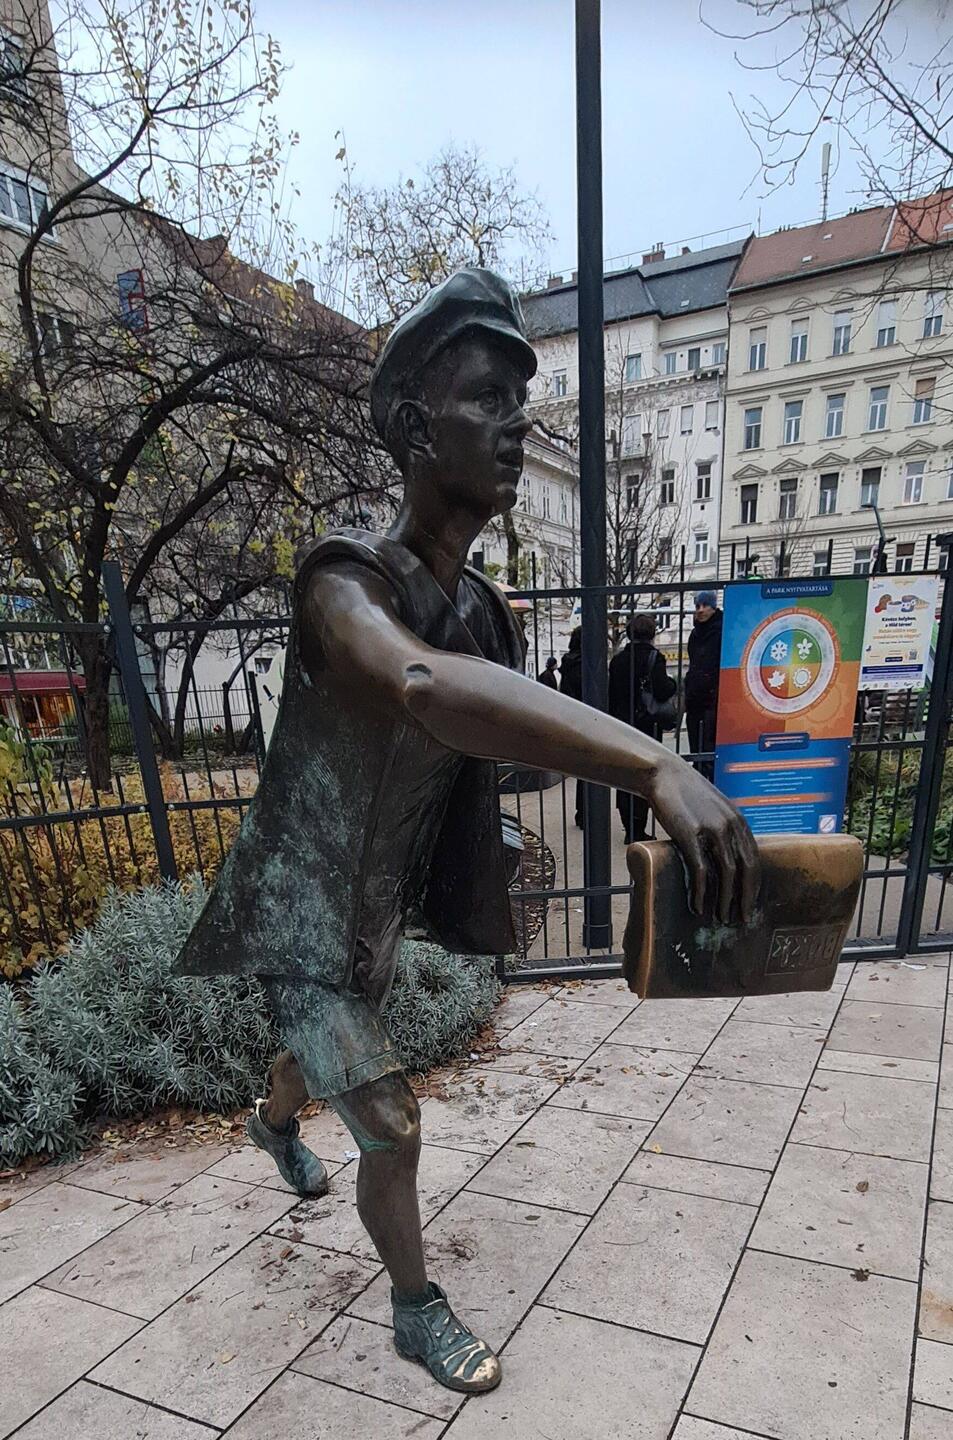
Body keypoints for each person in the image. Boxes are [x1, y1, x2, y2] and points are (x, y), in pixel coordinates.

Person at [174, 269, 757, 1397]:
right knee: (389, 1121)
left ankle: (270, 1123)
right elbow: (424, 687)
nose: (516, 423)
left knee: (324, 1056)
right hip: (297, 912)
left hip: (375, 910)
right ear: (409, 427)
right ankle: (412, 1307)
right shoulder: (341, 585)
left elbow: (501, 731)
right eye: (487, 397)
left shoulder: (483, 609)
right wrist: (654, 763)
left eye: (518, 400)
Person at [609, 613, 677, 843]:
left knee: (625, 776)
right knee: (646, 775)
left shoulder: (618, 661)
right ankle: (639, 826)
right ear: (651, 633)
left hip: (622, 725)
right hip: (646, 725)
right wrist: (673, 684)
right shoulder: (654, 658)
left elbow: (611, 694)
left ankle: (629, 827)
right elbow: (663, 689)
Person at [685, 589, 723, 780]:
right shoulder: (695, 634)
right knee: (697, 753)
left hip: (712, 701)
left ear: (713, 607)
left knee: (708, 753)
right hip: (695, 701)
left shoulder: (720, 631)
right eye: (697, 606)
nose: (700, 610)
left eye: (705, 605)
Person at [559, 627, 584, 825]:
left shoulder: (567, 664)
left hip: (572, 720)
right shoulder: (586, 664)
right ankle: (588, 813)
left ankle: (581, 812)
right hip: (589, 720)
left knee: (582, 771)